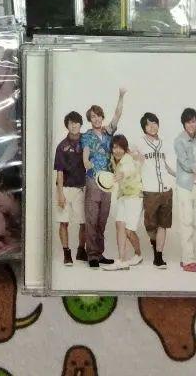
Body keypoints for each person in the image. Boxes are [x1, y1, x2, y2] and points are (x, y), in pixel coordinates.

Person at [81, 89, 126, 269]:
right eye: (93, 116)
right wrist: (86, 161)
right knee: (92, 218)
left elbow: (118, 114)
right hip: (93, 179)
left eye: (99, 115)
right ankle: (92, 255)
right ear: (90, 119)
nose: (97, 119)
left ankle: (99, 254)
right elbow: (86, 152)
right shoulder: (87, 136)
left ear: (102, 117)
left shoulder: (108, 132)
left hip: (108, 181)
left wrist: (121, 96)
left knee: (102, 219)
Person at [138, 112, 174, 270]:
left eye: (154, 123)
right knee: (150, 225)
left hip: (166, 189)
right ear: (144, 127)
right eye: (148, 124)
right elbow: (127, 156)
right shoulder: (139, 143)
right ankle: (154, 243)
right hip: (150, 190)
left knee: (162, 224)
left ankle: (158, 256)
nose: (152, 126)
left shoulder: (165, 143)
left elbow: (170, 165)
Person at [105, 134, 143, 270]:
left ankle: (138, 254)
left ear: (125, 149)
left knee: (129, 231)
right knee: (119, 224)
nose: (118, 151)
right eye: (115, 147)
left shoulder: (128, 159)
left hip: (134, 196)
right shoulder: (112, 158)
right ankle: (121, 259)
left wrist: (122, 174)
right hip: (122, 196)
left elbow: (130, 169)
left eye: (121, 148)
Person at [55, 110, 87, 265]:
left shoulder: (87, 141)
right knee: (64, 222)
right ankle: (66, 253)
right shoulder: (62, 146)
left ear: (81, 124)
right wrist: (60, 194)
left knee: (85, 222)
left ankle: (81, 250)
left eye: (76, 123)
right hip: (65, 188)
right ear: (67, 125)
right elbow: (59, 172)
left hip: (82, 188)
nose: (74, 126)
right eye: (71, 123)